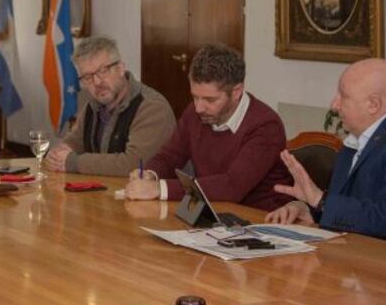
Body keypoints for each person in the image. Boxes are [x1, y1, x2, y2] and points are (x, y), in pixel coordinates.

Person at [267, 58, 386, 255]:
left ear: (373, 104)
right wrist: (307, 208)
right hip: (360, 259)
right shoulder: (358, 138)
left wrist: (320, 201)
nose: (334, 105)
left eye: (343, 96)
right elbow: (352, 205)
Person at [126, 44, 293, 210]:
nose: (199, 108)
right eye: (195, 97)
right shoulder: (195, 113)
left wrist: (160, 189)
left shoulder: (266, 126)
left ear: (237, 92)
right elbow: (169, 156)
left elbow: (232, 186)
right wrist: (150, 174)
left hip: (260, 220)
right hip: (211, 215)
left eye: (210, 100)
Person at [45, 36, 174, 176]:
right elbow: (75, 141)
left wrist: (73, 162)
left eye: (103, 71)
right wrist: (56, 156)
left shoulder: (151, 107)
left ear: (121, 68)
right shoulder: (93, 105)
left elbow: (134, 164)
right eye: (88, 77)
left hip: (146, 195)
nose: (97, 82)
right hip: (104, 191)